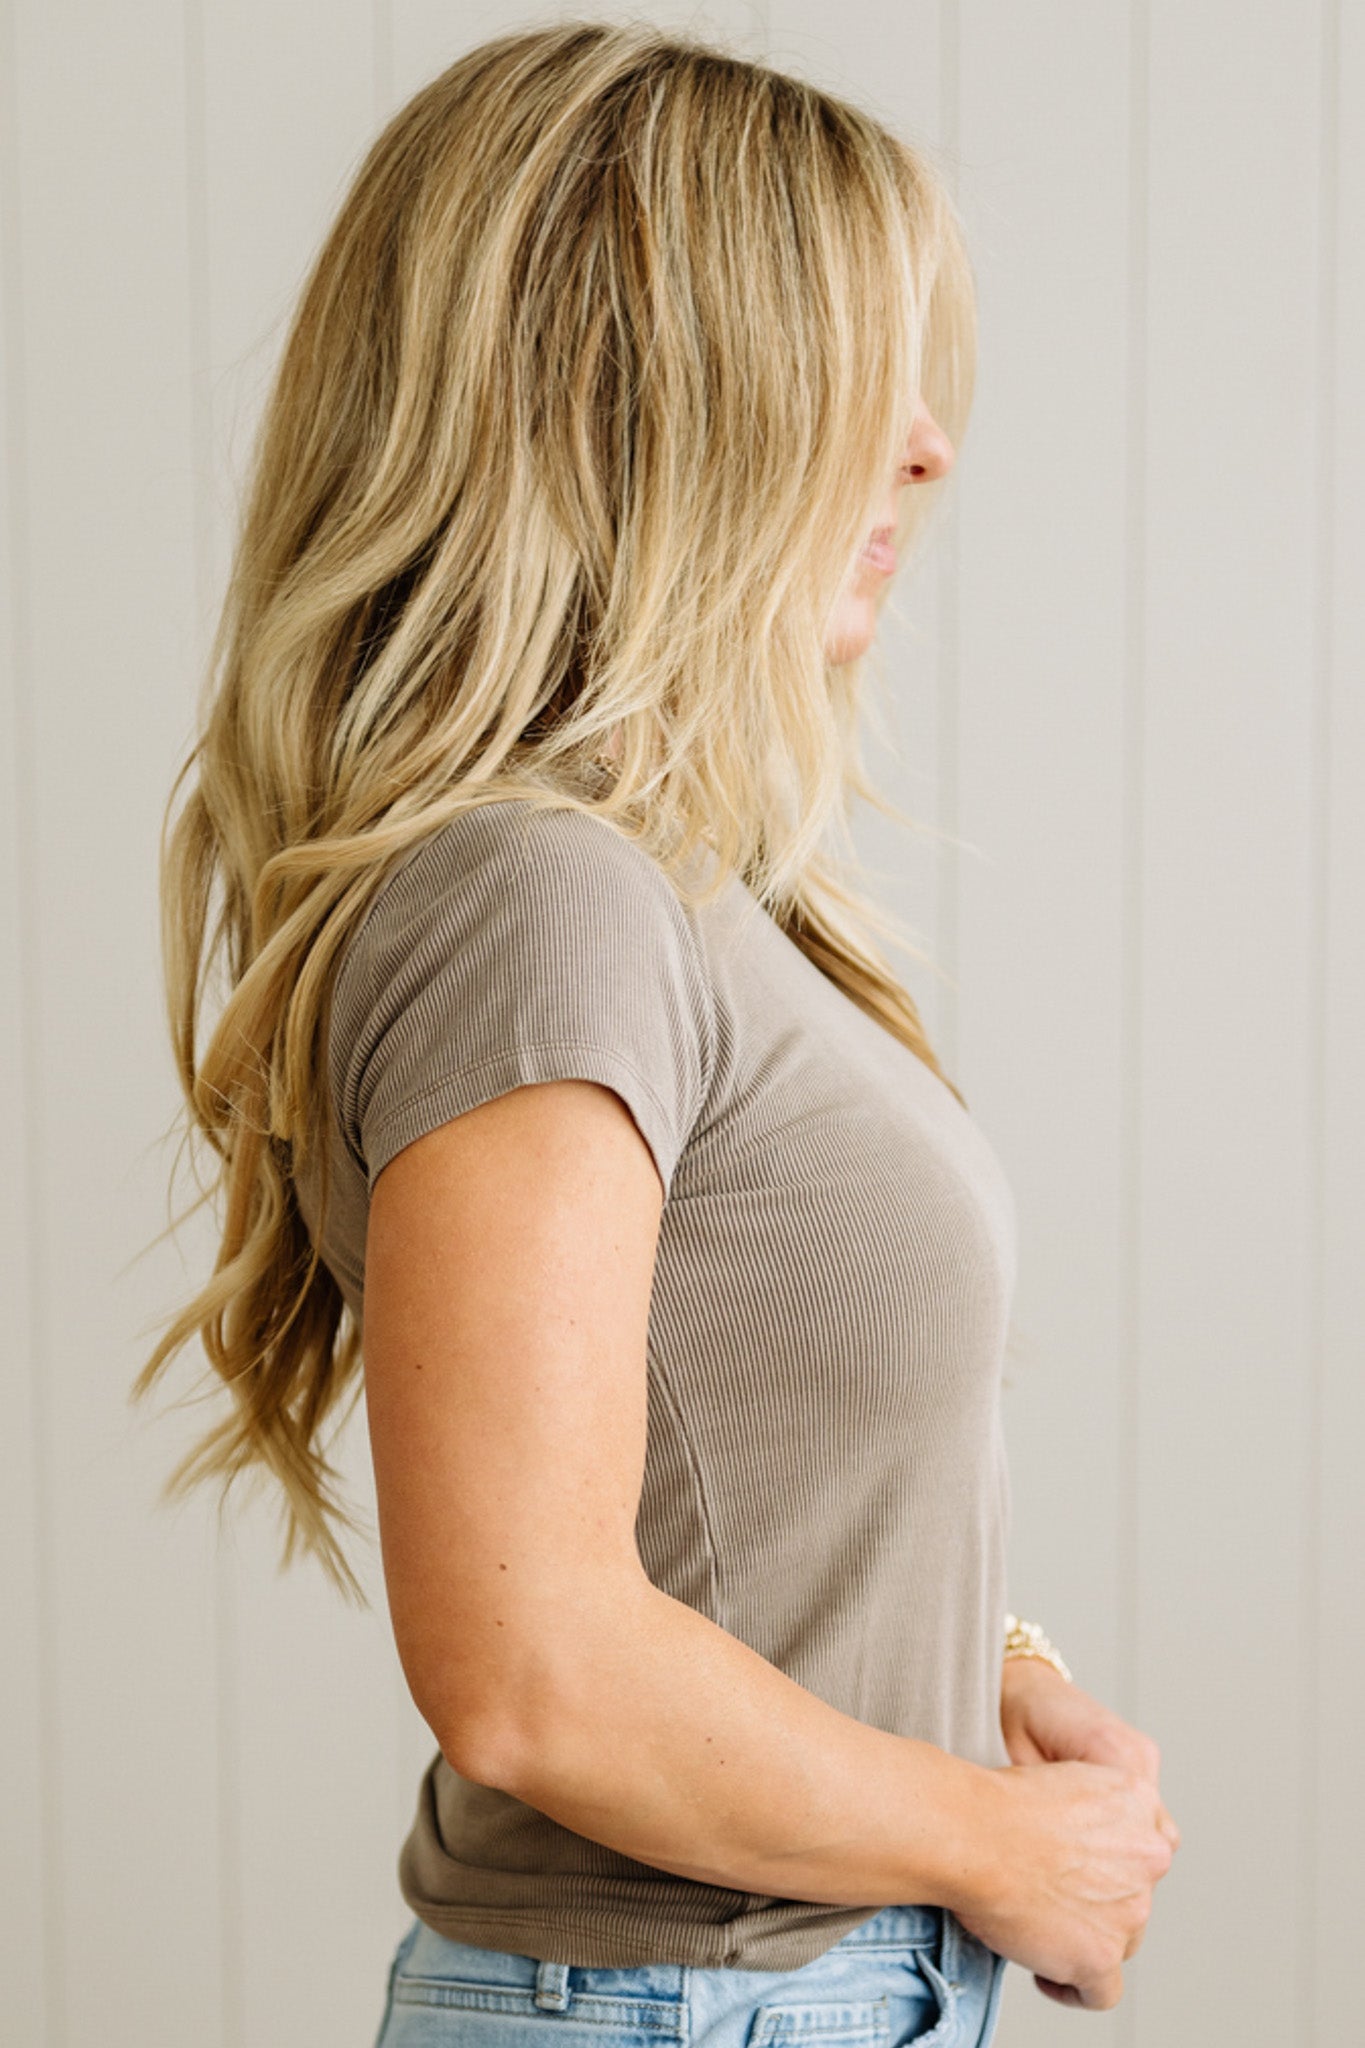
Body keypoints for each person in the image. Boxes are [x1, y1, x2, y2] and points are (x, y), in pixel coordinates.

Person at [133, 19, 1181, 2048]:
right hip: (689, 2006)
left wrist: (988, 1668)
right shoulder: (540, 895)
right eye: (852, 369)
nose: (927, 445)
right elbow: (530, 1660)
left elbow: (720, 1497)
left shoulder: (643, 890)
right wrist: (990, 1839)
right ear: (645, 399)